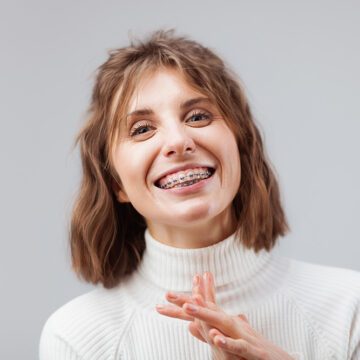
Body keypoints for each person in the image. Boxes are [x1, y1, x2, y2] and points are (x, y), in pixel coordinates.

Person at [39, 29, 360, 360]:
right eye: (142, 129)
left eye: (198, 116)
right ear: (115, 183)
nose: (179, 141)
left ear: (241, 148)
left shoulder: (349, 308)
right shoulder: (75, 338)